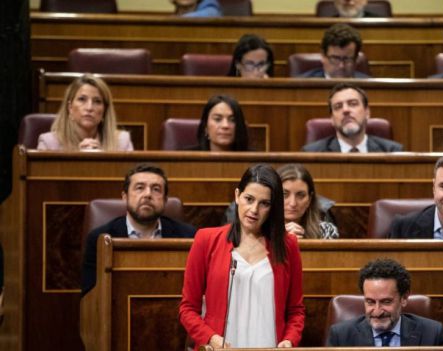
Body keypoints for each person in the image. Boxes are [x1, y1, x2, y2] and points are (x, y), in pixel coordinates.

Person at [179, 164, 305, 349]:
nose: (254, 209)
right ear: (237, 195)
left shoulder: (288, 246)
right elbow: (187, 309)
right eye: (249, 199)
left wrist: (289, 340)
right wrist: (210, 337)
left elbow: (296, 311)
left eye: (264, 203)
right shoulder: (206, 240)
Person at [81, 163, 195, 295]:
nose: (148, 194)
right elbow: (90, 295)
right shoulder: (99, 238)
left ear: (165, 200)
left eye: (156, 189)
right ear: (125, 197)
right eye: (140, 188)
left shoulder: (188, 236)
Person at [327, 258, 443, 346]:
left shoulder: (433, 334)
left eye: (386, 302)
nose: (377, 311)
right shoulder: (341, 336)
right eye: (370, 302)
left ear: (404, 298)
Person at [37, 74, 133, 151]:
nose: (89, 107)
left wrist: (102, 159)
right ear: (70, 107)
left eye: (97, 101)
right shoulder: (49, 143)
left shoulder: (122, 142)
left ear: (104, 111)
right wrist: (77, 158)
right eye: (82, 99)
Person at [302, 83, 403, 152]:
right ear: (332, 119)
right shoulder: (312, 153)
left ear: (367, 112)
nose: (345, 110)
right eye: (338, 107)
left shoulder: (392, 151)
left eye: (353, 104)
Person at [278, 163, 338, 239]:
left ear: (309, 199)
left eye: (301, 195)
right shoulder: (262, 231)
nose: (293, 203)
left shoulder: (326, 231)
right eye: (284, 194)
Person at [299, 24, 370, 79]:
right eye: (335, 58)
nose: (341, 66)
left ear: (356, 59)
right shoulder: (302, 85)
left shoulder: (369, 86)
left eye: (347, 59)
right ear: (323, 56)